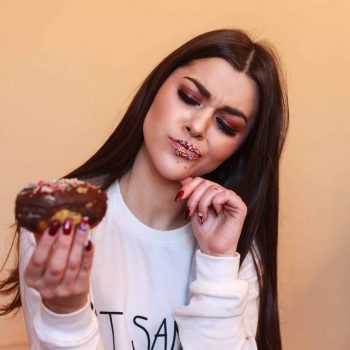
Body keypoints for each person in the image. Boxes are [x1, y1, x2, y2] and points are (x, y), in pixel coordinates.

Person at [0, 28, 288, 349]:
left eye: (226, 126)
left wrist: (216, 263)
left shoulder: (236, 252)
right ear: (156, 86)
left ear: (239, 149)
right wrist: (66, 313)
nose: (198, 126)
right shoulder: (62, 220)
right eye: (190, 98)